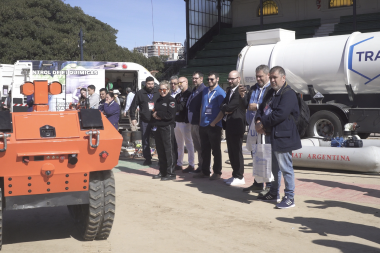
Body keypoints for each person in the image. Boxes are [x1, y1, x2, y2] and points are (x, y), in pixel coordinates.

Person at [255, 66, 302, 209]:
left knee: (285, 167)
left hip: (283, 136)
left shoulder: (289, 94)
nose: (272, 80)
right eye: (271, 78)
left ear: (283, 77)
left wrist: (262, 123)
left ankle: (289, 197)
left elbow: (279, 114)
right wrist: (258, 121)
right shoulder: (270, 92)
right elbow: (261, 108)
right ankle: (274, 192)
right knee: (274, 166)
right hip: (271, 134)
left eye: (275, 77)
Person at [241, 65, 272, 196]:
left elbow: (271, 105)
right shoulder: (253, 88)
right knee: (256, 156)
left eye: (261, 76)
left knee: (266, 157)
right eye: (257, 76)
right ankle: (258, 183)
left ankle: (270, 186)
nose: (258, 78)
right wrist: (243, 96)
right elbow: (246, 104)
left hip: (265, 128)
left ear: (268, 75)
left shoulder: (271, 89)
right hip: (253, 127)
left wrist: (258, 106)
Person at [211, 70, 246, 186]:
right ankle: (235, 174)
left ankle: (240, 176)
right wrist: (226, 108)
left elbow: (231, 106)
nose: (230, 81)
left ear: (238, 79)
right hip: (229, 125)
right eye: (229, 79)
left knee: (237, 151)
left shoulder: (240, 92)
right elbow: (223, 105)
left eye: (233, 79)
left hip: (237, 124)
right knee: (231, 151)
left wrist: (226, 108)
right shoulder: (229, 91)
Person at [193, 72, 226, 180]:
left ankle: (217, 172)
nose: (210, 81)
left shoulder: (221, 92)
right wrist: (200, 120)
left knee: (215, 150)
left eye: (212, 79)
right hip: (203, 124)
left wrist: (214, 122)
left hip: (214, 125)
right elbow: (203, 105)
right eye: (208, 79)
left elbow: (223, 110)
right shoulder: (205, 90)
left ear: (217, 79)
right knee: (204, 149)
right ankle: (205, 171)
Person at [130, 76, 160, 166]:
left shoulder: (157, 92)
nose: (150, 86)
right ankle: (147, 159)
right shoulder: (140, 93)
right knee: (145, 139)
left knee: (158, 139)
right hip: (145, 121)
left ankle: (160, 158)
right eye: (149, 84)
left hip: (156, 120)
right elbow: (133, 106)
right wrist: (133, 118)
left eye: (152, 84)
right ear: (145, 84)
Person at [151, 81, 177, 181]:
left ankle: (171, 173)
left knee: (168, 150)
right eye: (160, 90)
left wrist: (158, 114)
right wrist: (155, 114)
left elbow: (169, 115)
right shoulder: (158, 100)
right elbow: (154, 111)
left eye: (164, 89)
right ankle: (162, 171)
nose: (162, 91)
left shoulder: (171, 100)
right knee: (160, 151)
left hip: (167, 127)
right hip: (158, 127)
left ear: (168, 89)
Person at [186, 71, 206, 173]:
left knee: (202, 146)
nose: (194, 80)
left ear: (201, 79)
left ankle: (204, 167)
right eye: (193, 78)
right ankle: (200, 166)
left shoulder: (204, 90)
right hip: (193, 122)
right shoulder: (194, 90)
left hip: (199, 122)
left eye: (196, 78)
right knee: (197, 146)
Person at [174, 77, 195, 172]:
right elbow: (174, 106)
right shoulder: (178, 95)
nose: (179, 84)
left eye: (181, 82)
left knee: (189, 144)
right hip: (177, 121)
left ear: (186, 82)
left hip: (186, 122)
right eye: (178, 83)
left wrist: (174, 107)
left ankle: (191, 164)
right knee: (179, 144)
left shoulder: (190, 94)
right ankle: (179, 163)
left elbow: (181, 107)